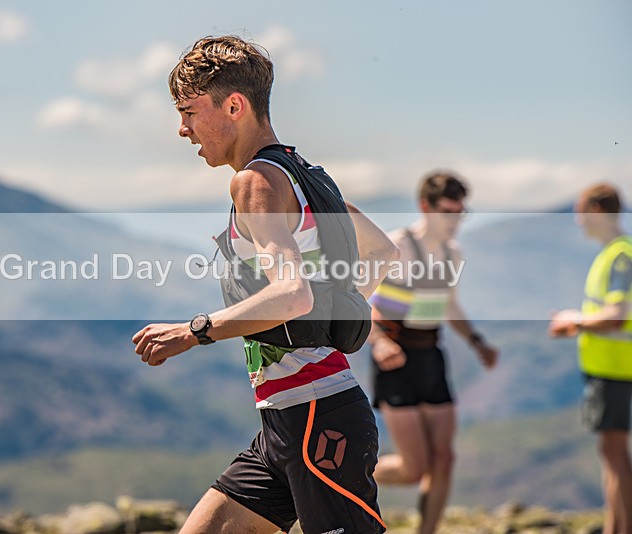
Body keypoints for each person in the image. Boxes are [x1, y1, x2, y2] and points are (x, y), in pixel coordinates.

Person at [132, 35, 398, 533]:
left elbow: (291, 293)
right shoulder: (306, 177)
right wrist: (331, 313)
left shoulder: (254, 182)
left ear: (234, 106)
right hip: (285, 422)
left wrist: (193, 331)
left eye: (189, 112)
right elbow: (383, 251)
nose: (183, 129)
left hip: (316, 419)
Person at [367, 171, 499, 534]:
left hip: (431, 355)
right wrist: (379, 342)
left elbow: (449, 305)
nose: (455, 221)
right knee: (414, 468)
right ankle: (341, 474)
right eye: (448, 212)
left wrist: (477, 342)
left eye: (460, 213)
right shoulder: (397, 247)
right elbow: (362, 302)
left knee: (444, 459)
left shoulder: (453, 253)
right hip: (395, 359)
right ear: (425, 207)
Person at [549, 183, 632, 534]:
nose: (579, 221)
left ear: (597, 210)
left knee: (615, 454)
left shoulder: (620, 255)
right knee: (611, 454)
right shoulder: (615, 253)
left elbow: (616, 315)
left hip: (615, 367)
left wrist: (574, 321)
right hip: (610, 366)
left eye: (581, 212)